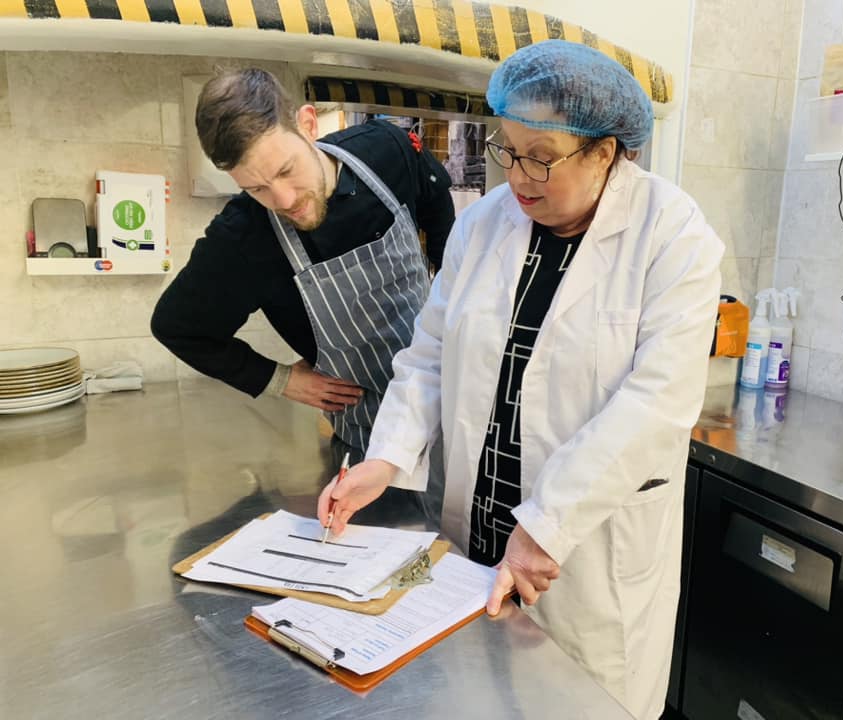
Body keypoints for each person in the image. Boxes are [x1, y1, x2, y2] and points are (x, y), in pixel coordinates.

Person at [318, 40, 724, 719]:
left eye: (542, 156)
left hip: (582, 552)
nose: (519, 176)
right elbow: (429, 355)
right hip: (476, 532)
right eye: (508, 150)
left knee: (582, 703)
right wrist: (384, 459)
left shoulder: (672, 235)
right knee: (473, 699)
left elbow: (656, 403)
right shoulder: (483, 224)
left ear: (605, 152)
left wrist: (547, 525)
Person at [151, 69, 455, 468]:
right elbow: (177, 327)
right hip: (368, 440)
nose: (283, 200)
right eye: (255, 188)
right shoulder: (243, 236)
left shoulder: (386, 149)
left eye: (285, 170)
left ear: (308, 125)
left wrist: (452, 292)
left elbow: (437, 200)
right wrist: (281, 380)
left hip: (453, 402)